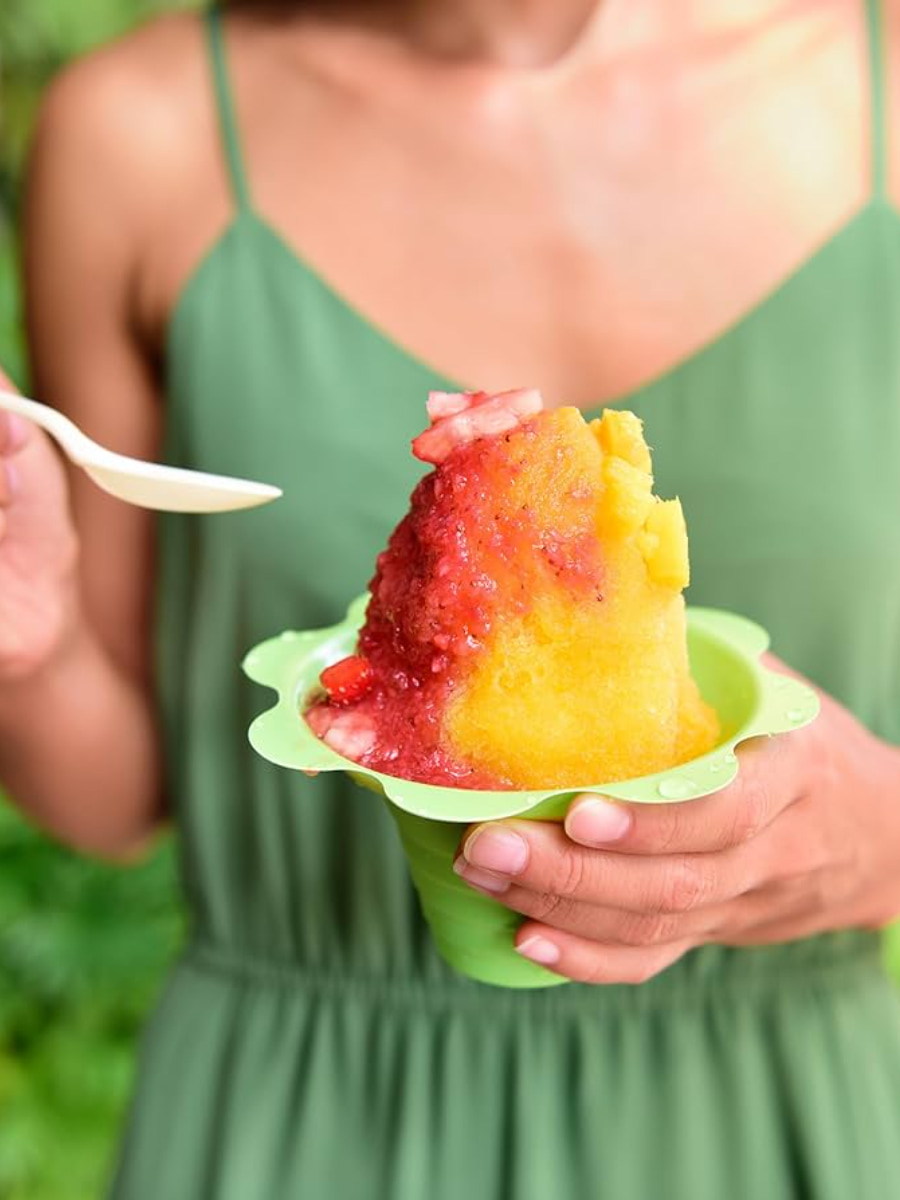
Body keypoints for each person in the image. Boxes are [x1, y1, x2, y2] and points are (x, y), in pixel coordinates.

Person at [2, 0, 900, 1194]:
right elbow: (114, 800)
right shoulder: (136, 136)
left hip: (772, 1117)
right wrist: (29, 643)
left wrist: (878, 834)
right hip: (297, 1125)